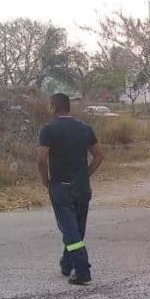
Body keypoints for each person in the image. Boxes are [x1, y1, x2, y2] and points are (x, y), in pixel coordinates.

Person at [37, 94, 104, 285]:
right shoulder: (85, 128)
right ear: (69, 107)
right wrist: (86, 175)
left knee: (69, 230)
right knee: (76, 228)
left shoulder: (48, 129)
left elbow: (41, 160)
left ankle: (82, 271)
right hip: (82, 187)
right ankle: (67, 263)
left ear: (53, 107)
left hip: (61, 186)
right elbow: (99, 156)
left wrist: (46, 181)